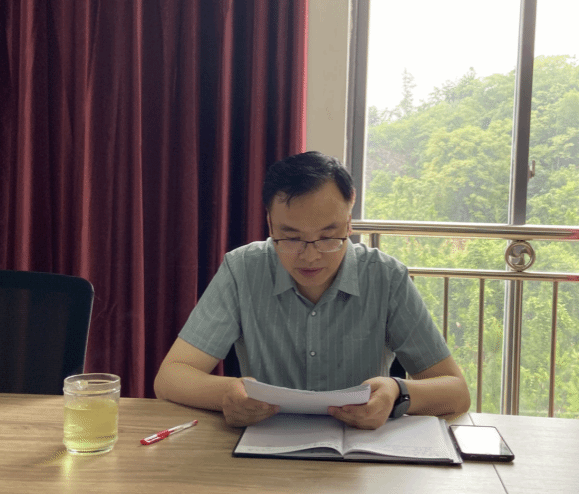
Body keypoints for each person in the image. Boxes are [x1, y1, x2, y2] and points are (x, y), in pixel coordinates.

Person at [154, 151, 471, 429]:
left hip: (360, 455)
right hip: (264, 451)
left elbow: (456, 392)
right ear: (270, 224)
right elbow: (170, 377)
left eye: (328, 236)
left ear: (349, 223)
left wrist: (397, 392)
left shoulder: (386, 277)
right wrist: (226, 394)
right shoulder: (243, 270)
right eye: (291, 238)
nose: (310, 256)